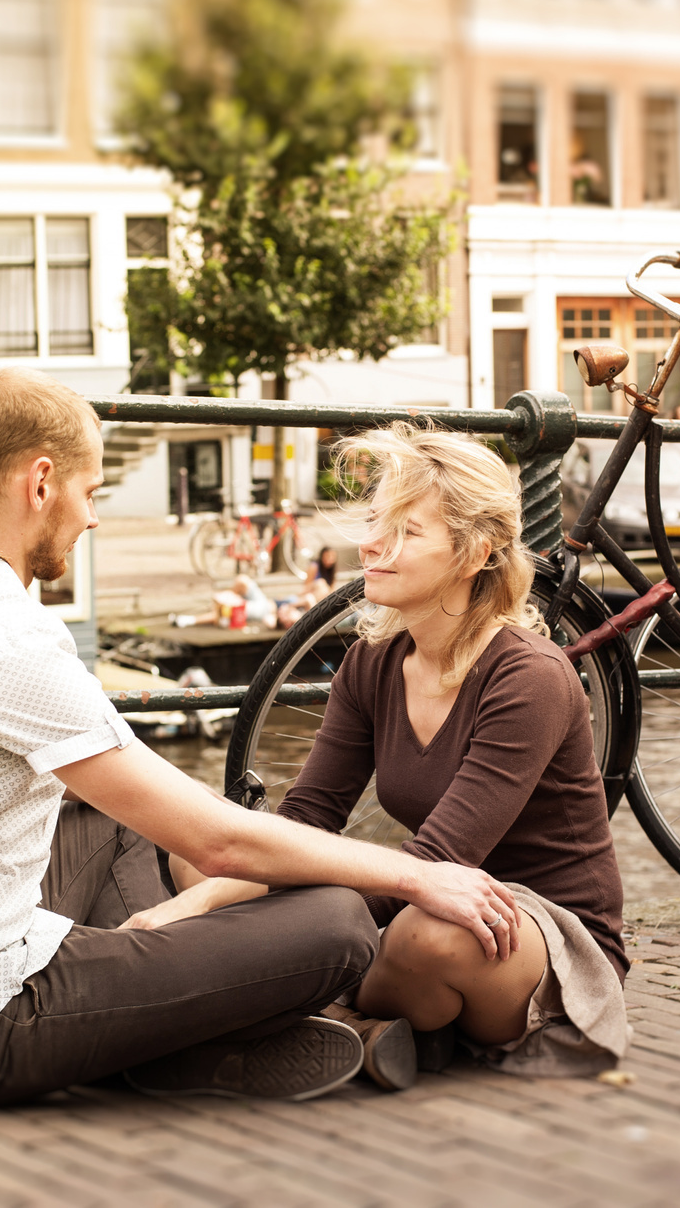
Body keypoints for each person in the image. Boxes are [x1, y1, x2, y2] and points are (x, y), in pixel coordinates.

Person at [0, 371, 523, 1106]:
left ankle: (160, 1035)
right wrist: (415, 876)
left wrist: (186, 915)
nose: (92, 519)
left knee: (112, 812)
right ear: (41, 483)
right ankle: (172, 1034)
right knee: (339, 922)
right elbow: (219, 843)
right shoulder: (9, 640)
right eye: (91, 493)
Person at [138, 425, 630, 1086]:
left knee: (422, 937)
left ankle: (310, 1005)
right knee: (203, 848)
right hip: (425, 892)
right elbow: (308, 817)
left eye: (405, 530)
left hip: (532, 929)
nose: (370, 544)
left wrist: (208, 912)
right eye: (375, 523)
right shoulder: (372, 661)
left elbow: (437, 860)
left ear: (474, 552)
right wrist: (220, 884)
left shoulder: (529, 677)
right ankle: (372, 1025)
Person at [278, 545, 341, 628]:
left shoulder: (332, 571)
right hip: (312, 594)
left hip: (321, 598)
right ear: (322, 556)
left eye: (332, 557)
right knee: (320, 584)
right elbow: (306, 587)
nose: (330, 559)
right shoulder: (314, 567)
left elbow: (332, 590)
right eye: (327, 556)